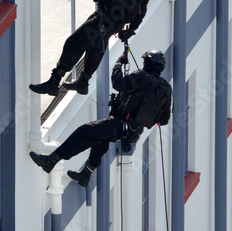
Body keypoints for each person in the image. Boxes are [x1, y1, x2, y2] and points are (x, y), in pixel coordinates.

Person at [29, 50, 172, 187]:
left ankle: (51, 160)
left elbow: (118, 84)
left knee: (85, 131)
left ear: (149, 63)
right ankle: (86, 174)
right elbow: (163, 120)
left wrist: (118, 64)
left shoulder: (142, 77)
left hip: (120, 124)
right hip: (132, 133)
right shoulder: (166, 89)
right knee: (101, 140)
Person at [29, 0, 152, 96]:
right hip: (116, 25)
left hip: (103, 18)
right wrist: (131, 29)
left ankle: (54, 82)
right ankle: (83, 82)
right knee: (95, 47)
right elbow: (142, 8)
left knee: (73, 43)